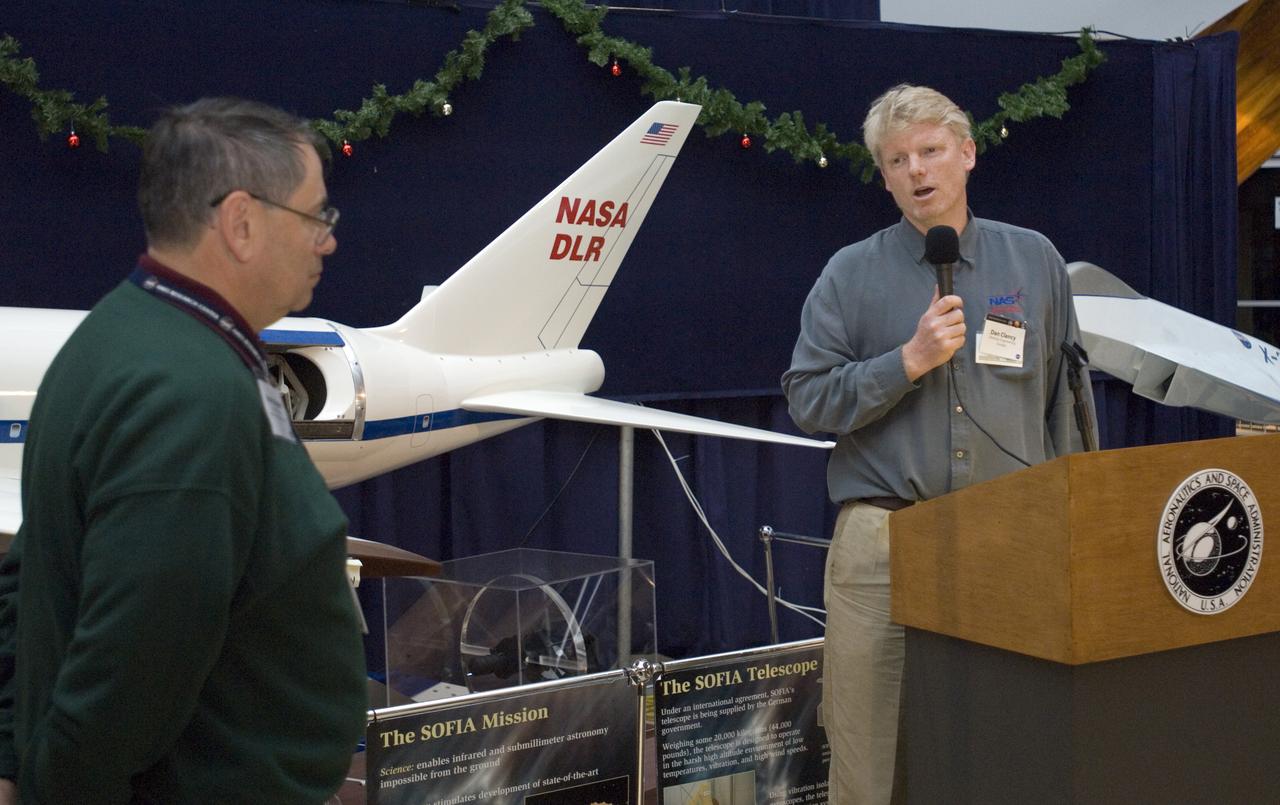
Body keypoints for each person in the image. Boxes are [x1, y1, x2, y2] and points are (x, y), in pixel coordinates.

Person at [0, 98, 366, 804]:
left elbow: (34, 572)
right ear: (241, 222)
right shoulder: (190, 392)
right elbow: (131, 669)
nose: (327, 241)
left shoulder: (124, 331)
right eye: (317, 215)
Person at [781, 84, 1096, 804]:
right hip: (883, 545)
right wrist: (907, 361)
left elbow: (1067, 406)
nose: (917, 170)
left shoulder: (1034, 261)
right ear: (885, 177)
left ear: (967, 153)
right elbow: (808, 400)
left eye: (929, 150)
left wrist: (1072, 530)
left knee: (1011, 746)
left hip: (1009, 538)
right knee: (867, 752)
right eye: (898, 160)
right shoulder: (849, 273)